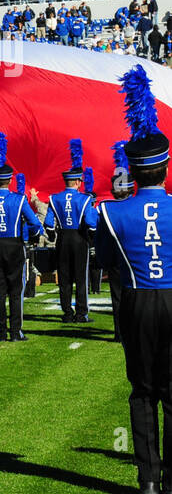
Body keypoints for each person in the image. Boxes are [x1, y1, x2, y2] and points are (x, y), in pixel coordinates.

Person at [96, 66, 172, 494]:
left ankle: (147, 481)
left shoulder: (112, 212)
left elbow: (106, 262)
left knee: (143, 391)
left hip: (137, 304)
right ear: (164, 168)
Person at [0, 132, 43, 341]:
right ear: (9, 180)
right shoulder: (20, 200)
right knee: (16, 291)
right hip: (15, 246)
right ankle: (16, 332)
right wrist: (32, 236)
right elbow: (34, 223)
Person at [44, 139, 99, 323]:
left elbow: (49, 224)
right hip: (79, 238)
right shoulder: (84, 199)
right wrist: (91, 238)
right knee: (81, 278)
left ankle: (67, 313)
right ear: (77, 182)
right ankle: (81, 313)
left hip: (62, 239)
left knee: (65, 278)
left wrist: (52, 235)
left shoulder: (54, 198)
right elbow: (91, 224)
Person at [108, 142, 133, 345]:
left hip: (115, 259)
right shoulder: (135, 206)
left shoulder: (106, 209)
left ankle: (119, 332)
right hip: (134, 258)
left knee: (117, 297)